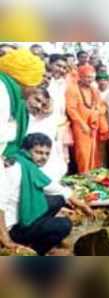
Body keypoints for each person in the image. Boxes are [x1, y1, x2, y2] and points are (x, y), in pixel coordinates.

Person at [0, 133, 93, 256]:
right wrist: (7, 240)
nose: (43, 157)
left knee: (59, 199)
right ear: (26, 151)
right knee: (64, 225)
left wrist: (81, 204)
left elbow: (56, 188)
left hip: (21, 216)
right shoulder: (13, 170)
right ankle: (37, 251)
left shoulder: (25, 165)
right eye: (38, 152)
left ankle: (35, 238)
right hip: (10, 228)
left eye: (46, 153)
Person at [0, 48, 45, 207]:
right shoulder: (2, 92)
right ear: (26, 80)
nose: (35, 89)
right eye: (36, 84)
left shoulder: (7, 90)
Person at [66, 64, 109, 173]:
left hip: (93, 126)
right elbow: (71, 109)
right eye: (87, 77)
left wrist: (97, 111)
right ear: (80, 77)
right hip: (80, 128)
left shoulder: (94, 90)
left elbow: (102, 105)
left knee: (95, 153)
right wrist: (83, 125)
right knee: (83, 154)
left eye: (91, 77)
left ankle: (95, 177)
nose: (89, 80)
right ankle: (85, 178)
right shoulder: (72, 89)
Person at [26, 88, 68, 182]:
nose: (39, 106)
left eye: (44, 104)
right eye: (37, 100)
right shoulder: (23, 118)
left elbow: (57, 142)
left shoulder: (50, 121)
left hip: (51, 167)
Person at [47, 54, 72, 176]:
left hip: (61, 126)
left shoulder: (64, 84)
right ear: (50, 64)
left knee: (61, 157)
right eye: (58, 66)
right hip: (46, 126)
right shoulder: (44, 81)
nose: (61, 70)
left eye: (64, 67)